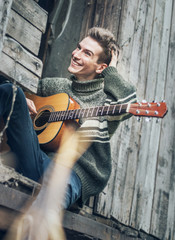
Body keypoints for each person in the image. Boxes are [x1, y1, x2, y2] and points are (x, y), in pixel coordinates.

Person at [0, 27, 137, 209]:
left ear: (101, 67)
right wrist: (24, 99)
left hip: (72, 173)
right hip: (37, 158)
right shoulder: (56, 86)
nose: (76, 54)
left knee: (46, 206)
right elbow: (17, 91)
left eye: (87, 53)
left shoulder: (107, 100)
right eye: (78, 47)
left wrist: (111, 71)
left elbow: (128, 102)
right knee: (12, 91)